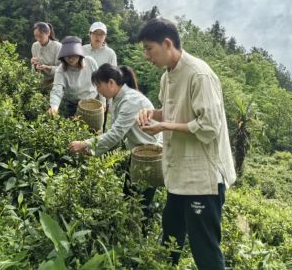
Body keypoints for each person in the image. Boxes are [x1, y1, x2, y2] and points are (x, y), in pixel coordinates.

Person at [135, 18, 236, 270]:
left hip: (202, 179)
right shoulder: (166, 77)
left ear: (167, 43)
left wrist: (165, 126)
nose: (147, 56)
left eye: (150, 49)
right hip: (179, 175)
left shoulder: (199, 74)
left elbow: (210, 126)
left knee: (205, 249)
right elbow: (172, 112)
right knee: (170, 239)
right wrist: (151, 114)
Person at [69, 63, 161, 221]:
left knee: (139, 205)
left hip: (149, 156)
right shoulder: (118, 99)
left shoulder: (131, 101)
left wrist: (85, 143)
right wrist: (93, 151)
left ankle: (141, 239)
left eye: (99, 85)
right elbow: (116, 136)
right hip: (138, 155)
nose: (98, 90)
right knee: (130, 199)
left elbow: (115, 134)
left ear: (111, 82)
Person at [48, 36, 104, 117]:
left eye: (74, 56)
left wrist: (103, 102)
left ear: (79, 55)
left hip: (92, 104)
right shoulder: (61, 70)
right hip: (72, 105)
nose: (70, 59)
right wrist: (54, 107)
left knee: (94, 129)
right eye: (67, 56)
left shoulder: (90, 62)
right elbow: (57, 91)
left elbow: (100, 82)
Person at [30, 22, 61, 86]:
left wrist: (47, 67)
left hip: (56, 81)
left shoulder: (58, 46)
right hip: (40, 82)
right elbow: (34, 71)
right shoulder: (35, 46)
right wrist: (35, 66)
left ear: (48, 33)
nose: (38, 39)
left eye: (40, 36)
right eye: (36, 36)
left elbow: (62, 70)